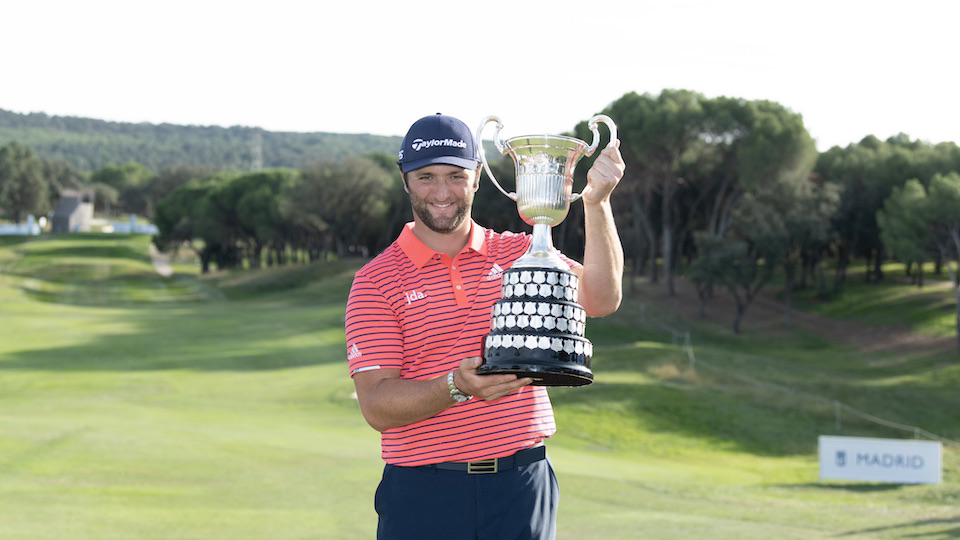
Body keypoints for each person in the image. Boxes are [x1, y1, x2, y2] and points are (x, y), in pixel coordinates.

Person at [345, 112, 625, 539]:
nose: (442, 192)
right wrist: (455, 387)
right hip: (424, 491)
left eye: (456, 176)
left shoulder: (523, 252)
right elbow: (376, 406)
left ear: (477, 177)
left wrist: (597, 203)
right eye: (426, 177)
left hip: (521, 485)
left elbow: (602, 299)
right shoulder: (375, 281)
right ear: (405, 181)